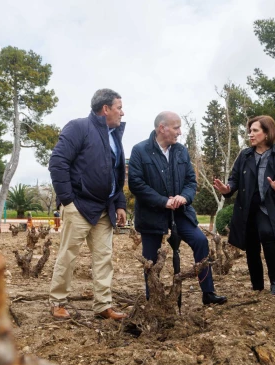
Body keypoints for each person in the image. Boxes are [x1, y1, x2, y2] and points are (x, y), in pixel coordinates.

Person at [128, 111, 227, 306]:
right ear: (161, 128)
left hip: (180, 212)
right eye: (176, 128)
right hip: (151, 214)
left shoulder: (181, 151)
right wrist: (163, 201)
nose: (180, 132)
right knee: (150, 260)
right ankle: (152, 301)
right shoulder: (140, 150)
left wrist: (184, 197)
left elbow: (191, 181)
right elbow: (136, 184)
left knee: (200, 242)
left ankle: (208, 293)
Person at [48, 88, 127, 321]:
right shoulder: (79, 127)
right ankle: (58, 302)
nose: (122, 112)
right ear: (105, 109)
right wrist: (68, 200)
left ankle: (103, 306)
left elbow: (116, 174)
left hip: (105, 209)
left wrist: (120, 203)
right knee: (68, 256)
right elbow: (58, 162)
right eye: (119, 107)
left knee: (104, 257)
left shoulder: (114, 135)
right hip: (79, 206)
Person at [213, 115, 275, 295]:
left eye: (255, 130)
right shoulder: (245, 155)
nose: (250, 134)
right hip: (247, 209)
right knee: (251, 247)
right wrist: (227, 189)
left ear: (267, 133)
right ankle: (257, 285)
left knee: (269, 238)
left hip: (269, 208)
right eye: (250, 131)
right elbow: (234, 180)